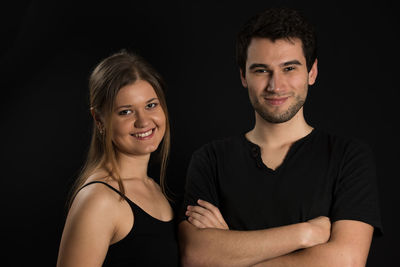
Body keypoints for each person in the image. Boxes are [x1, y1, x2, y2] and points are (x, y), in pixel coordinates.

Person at [179, 7, 382, 267]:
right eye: (261, 70)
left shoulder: (348, 157)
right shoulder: (210, 160)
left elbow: (346, 261)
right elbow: (195, 256)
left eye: (289, 68)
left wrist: (230, 252)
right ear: (243, 76)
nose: (276, 85)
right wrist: (305, 234)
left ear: (312, 72)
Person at [57, 51, 179, 267]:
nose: (143, 121)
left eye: (151, 105)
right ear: (99, 119)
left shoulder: (154, 189)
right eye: (125, 112)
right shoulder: (99, 200)